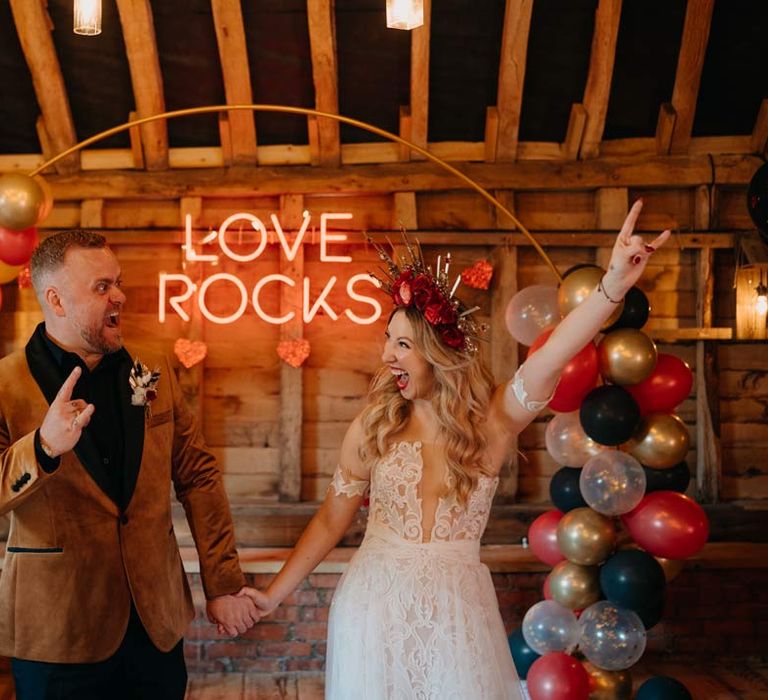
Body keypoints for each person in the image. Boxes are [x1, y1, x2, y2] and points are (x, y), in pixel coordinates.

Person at [240, 200, 670, 698]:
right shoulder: (372, 426)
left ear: (437, 353)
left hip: (456, 612)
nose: (386, 355)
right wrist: (273, 596)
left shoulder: (495, 419)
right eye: (387, 341)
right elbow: (330, 521)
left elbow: (555, 352)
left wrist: (611, 287)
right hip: (371, 607)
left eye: (402, 344)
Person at [0, 230, 259, 699]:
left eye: (117, 282)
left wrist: (222, 583)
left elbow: (198, 476)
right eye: (102, 287)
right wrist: (41, 447)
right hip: (57, 631)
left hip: (153, 627)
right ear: (56, 299)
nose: (119, 295)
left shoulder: (153, 365)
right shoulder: (4, 384)